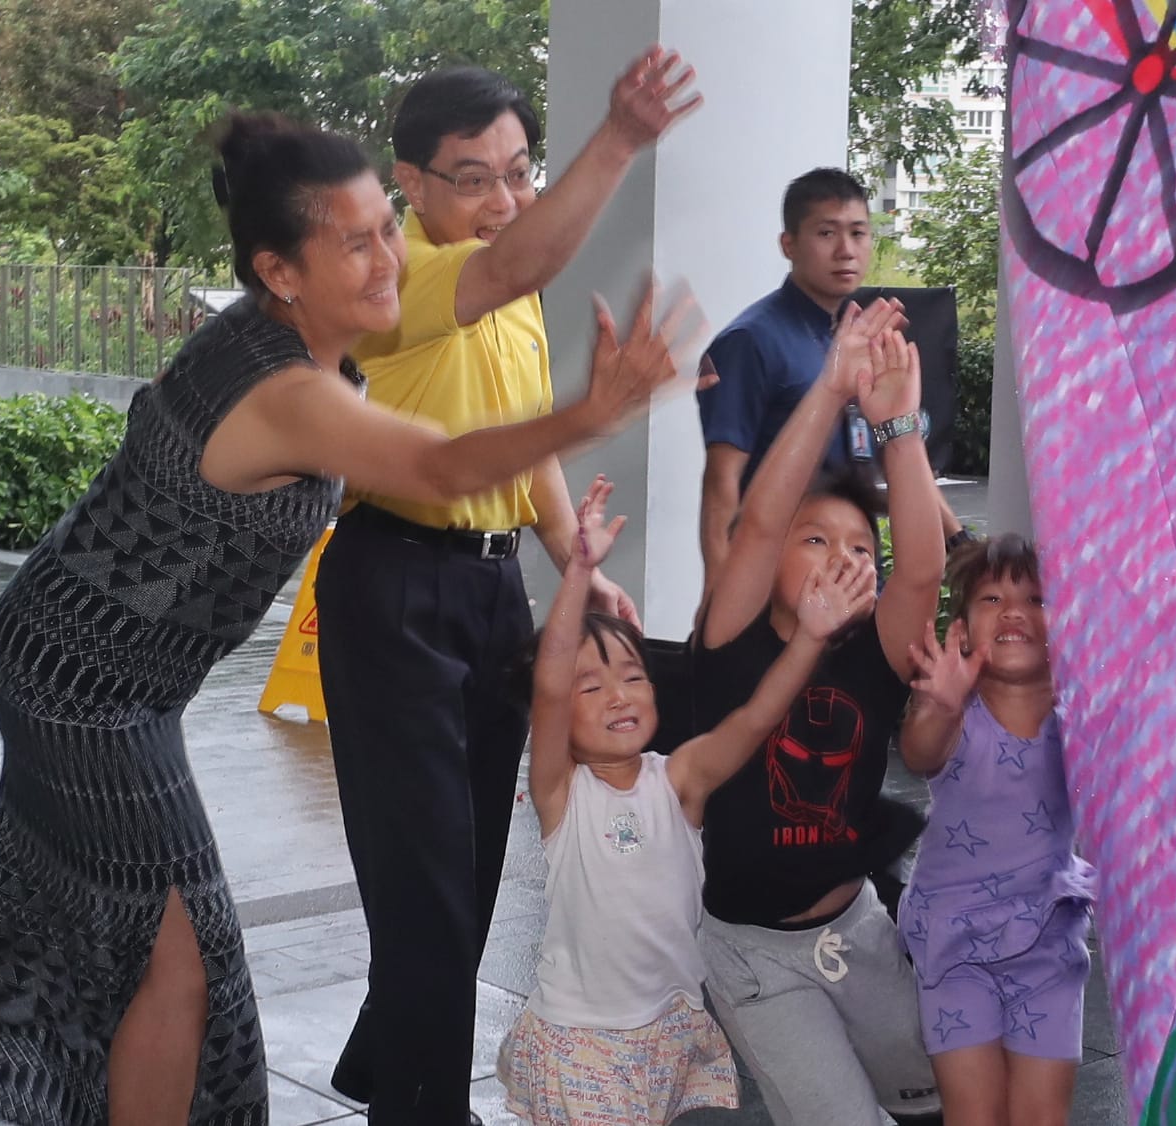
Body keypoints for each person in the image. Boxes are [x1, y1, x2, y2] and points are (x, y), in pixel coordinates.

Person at [0, 113, 704, 1126]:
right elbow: (436, 465)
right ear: (282, 271)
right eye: (354, 242)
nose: (390, 255)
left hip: (88, 663)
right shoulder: (283, 390)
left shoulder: (284, 344)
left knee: (27, 883)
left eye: (383, 229)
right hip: (83, 685)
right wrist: (594, 410)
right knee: (178, 954)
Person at [318, 52, 700, 1125]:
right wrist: (617, 138)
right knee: (427, 874)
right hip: (392, 583)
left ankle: (390, 1066)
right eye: (474, 177)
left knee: (473, 863)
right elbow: (515, 268)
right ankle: (423, 1105)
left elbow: (520, 433)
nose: (503, 200)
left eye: (519, 171)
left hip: (489, 596)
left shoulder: (507, 287)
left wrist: (573, 548)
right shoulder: (396, 283)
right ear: (412, 184)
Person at [494, 475, 877, 1126]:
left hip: (670, 1030)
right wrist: (580, 572)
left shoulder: (679, 780)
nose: (618, 694)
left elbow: (755, 719)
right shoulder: (562, 794)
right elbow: (550, 682)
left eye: (632, 676)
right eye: (591, 687)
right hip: (582, 1039)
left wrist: (810, 639)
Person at [679, 298, 951, 1126]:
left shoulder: (873, 651)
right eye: (817, 542)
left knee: (938, 1100)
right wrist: (831, 389)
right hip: (754, 957)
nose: (843, 557)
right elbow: (761, 517)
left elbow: (920, 576)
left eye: (859, 548)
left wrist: (900, 429)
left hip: (860, 930)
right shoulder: (732, 641)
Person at [898, 534, 1092, 1126]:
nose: (1013, 611)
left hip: (1048, 942)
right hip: (955, 946)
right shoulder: (957, 713)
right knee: (975, 1114)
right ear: (961, 632)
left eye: (1036, 598)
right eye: (991, 599)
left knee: (1041, 1115)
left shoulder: (1081, 717)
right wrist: (941, 706)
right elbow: (918, 753)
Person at [696, 168, 962, 590]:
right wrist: (720, 602)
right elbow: (721, 483)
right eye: (826, 233)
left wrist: (959, 540)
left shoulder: (855, 338)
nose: (845, 250)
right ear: (789, 244)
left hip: (854, 579)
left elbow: (898, 447)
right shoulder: (750, 341)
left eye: (858, 233)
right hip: (780, 586)